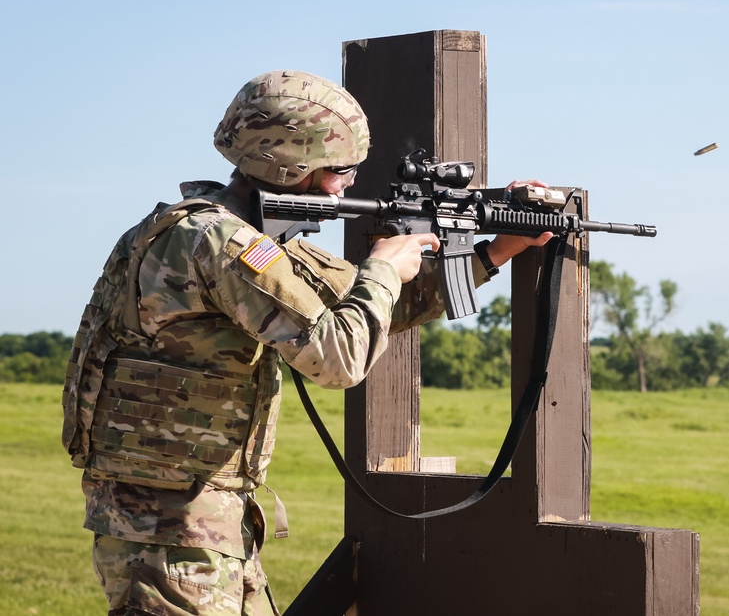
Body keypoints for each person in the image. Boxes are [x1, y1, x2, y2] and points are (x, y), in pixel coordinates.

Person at [61, 69, 551, 615]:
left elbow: (368, 309)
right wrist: (384, 269)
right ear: (288, 165)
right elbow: (339, 357)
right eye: (339, 170)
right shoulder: (219, 244)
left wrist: (493, 250)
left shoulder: (225, 232)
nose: (347, 183)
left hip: (193, 519)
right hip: (172, 527)